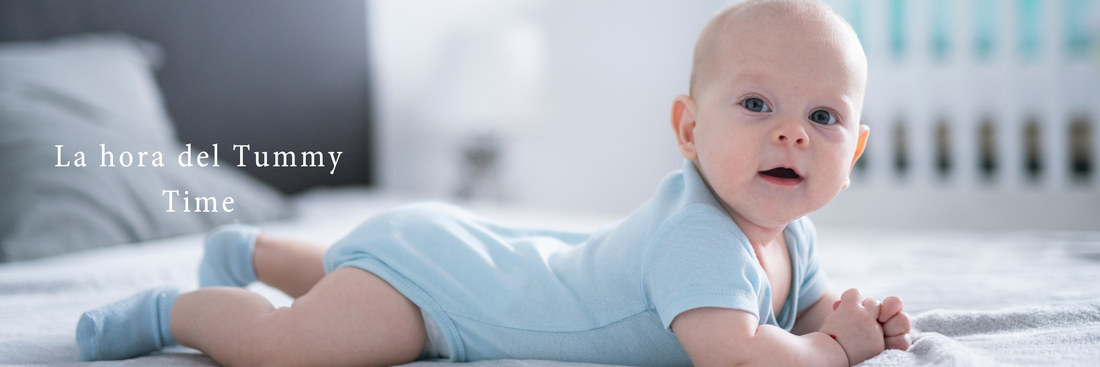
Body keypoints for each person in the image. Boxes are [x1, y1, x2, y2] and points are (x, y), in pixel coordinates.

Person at [76, 0, 912, 366]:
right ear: (690, 131)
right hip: (445, 302)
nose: (791, 132)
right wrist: (835, 350)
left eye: (825, 118)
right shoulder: (699, 235)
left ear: (855, 148)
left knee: (360, 264)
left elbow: (800, 307)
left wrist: (848, 316)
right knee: (287, 348)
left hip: (465, 252)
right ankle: (173, 309)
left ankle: (255, 248)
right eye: (757, 103)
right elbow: (740, 356)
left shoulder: (788, 231)